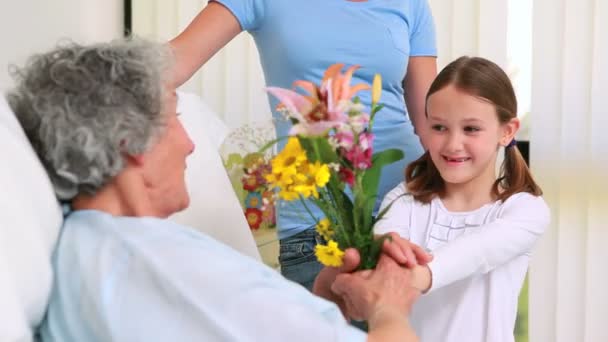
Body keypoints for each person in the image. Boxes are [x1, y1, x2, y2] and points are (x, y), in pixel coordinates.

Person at [8, 38, 429, 341]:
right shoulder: (148, 259)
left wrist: (328, 298)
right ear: (129, 141)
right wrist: (389, 307)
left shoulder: (103, 247)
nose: (190, 143)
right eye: (175, 118)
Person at [169, 0, 438, 290]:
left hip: (408, 214)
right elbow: (171, 62)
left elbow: (432, 124)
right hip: (316, 232)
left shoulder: (411, 5)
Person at [373, 56, 551, 342]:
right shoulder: (404, 199)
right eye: (439, 127)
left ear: (506, 132)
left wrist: (415, 276)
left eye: (471, 129)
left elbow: (477, 252)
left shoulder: (525, 210)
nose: (453, 144)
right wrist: (386, 256)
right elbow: (385, 247)